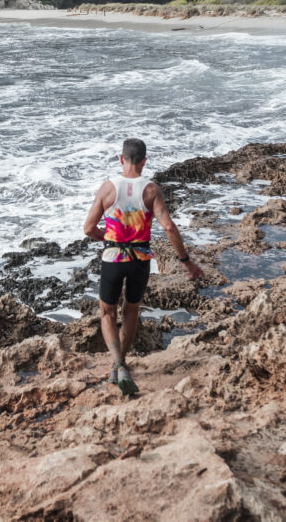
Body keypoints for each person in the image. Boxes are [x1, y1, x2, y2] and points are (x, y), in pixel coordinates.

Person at [83, 138, 204, 395]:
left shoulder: (108, 188)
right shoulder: (151, 191)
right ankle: (122, 363)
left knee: (107, 313)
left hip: (113, 259)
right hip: (140, 261)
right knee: (131, 311)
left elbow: (88, 229)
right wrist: (186, 262)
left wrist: (107, 236)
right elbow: (169, 227)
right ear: (144, 161)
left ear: (121, 159)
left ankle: (118, 365)